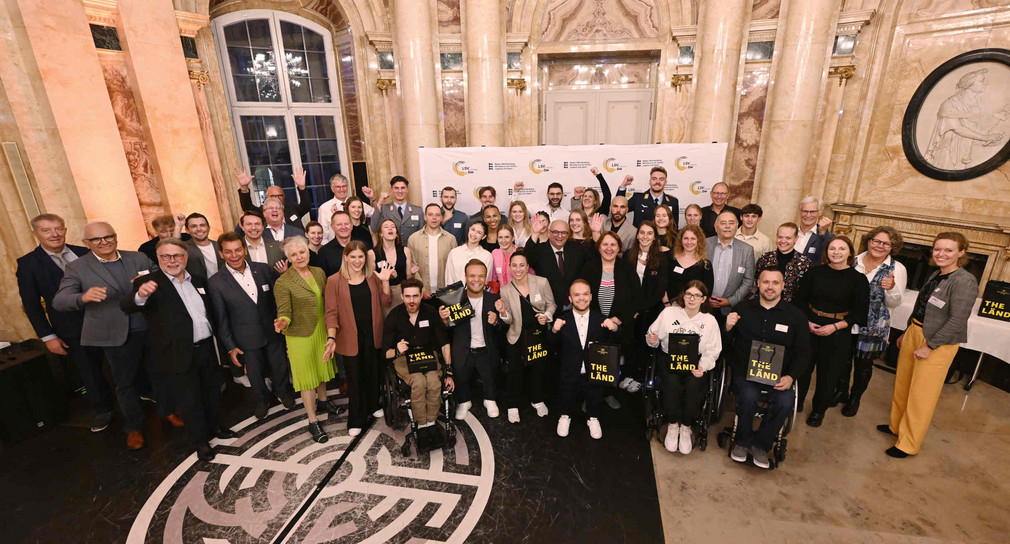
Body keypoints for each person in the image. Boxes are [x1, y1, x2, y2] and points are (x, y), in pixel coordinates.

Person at [122, 238, 235, 462]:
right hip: (176, 354)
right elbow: (127, 306)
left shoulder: (199, 280)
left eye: (177, 256)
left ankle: (215, 428)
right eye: (166, 256)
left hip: (205, 348)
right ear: (158, 258)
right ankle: (200, 441)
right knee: (189, 399)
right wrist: (140, 295)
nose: (172, 260)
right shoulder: (148, 283)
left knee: (212, 392)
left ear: (185, 257)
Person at [53, 222, 154, 449]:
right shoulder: (77, 267)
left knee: (159, 373)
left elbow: (160, 279)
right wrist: (83, 297)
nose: (104, 242)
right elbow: (59, 301)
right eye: (96, 239)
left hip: (149, 327)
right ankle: (134, 427)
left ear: (116, 236)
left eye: (108, 236)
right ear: (86, 243)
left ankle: (167, 411)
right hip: (114, 334)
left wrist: (149, 284)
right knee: (124, 383)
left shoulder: (137, 257)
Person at [882, 232, 977, 458]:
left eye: (948, 250)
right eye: (937, 249)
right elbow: (922, 306)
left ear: (961, 253)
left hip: (937, 342)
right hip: (915, 331)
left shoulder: (964, 281)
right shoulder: (937, 273)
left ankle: (908, 443)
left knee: (921, 395)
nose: (941, 254)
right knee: (903, 384)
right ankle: (896, 427)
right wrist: (908, 331)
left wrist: (930, 345)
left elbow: (957, 320)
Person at [17, 214, 113, 432]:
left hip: (106, 320)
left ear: (65, 229)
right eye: (47, 230)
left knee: (123, 361)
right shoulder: (28, 264)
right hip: (70, 328)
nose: (54, 234)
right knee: (89, 371)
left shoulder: (85, 252)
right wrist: (48, 336)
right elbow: (31, 305)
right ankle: (103, 409)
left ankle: (141, 393)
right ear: (35, 233)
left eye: (59, 229)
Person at [726, 268, 810, 469]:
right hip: (746, 372)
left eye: (775, 283)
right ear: (758, 284)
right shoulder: (743, 309)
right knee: (747, 395)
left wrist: (791, 377)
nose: (770, 287)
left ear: (783, 286)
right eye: (765, 282)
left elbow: (803, 352)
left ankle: (761, 445)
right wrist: (727, 328)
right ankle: (742, 441)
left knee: (785, 401)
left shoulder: (796, 316)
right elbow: (725, 346)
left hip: (779, 376)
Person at [208, 232, 295, 420]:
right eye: (228, 252)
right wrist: (230, 346)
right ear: (221, 254)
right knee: (254, 373)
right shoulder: (215, 282)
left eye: (238, 250)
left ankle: (281, 391)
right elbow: (220, 319)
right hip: (245, 337)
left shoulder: (263, 269)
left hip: (273, 331)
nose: (234, 255)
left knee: (280, 366)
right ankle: (262, 399)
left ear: (245, 250)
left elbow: (277, 299)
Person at [793, 236, 869, 424]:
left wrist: (834, 327)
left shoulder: (858, 280)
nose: (836, 252)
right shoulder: (814, 273)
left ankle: (819, 410)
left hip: (838, 331)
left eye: (842, 249)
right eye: (832, 248)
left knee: (828, 375)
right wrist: (807, 323)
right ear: (826, 252)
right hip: (810, 325)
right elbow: (800, 301)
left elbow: (860, 314)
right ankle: (797, 403)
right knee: (802, 369)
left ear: (850, 252)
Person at [273, 237, 342, 444]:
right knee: (307, 378)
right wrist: (282, 322)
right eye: (293, 255)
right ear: (288, 258)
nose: (299, 257)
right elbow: (284, 311)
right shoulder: (283, 282)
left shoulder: (319, 272)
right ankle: (312, 421)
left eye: (302, 252)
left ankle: (323, 402)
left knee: (321, 370)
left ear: (308, 252)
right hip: (299, 335)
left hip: (321, 329)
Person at [838, 226, 907, 416]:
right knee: (843, 360)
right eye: (876, 241)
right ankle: (841, 391)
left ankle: (855, 398)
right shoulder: (854, 260)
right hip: (847, 320)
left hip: (874, 327)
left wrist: (890, 287)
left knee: (863, 365)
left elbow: (895, 303)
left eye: (886, 243)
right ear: (868, 241)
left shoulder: (897, 269)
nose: (879, 246)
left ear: (893, 247)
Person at [324, 242, 393, 435]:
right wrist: (331, 337)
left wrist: (385, 281)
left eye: (360, 257)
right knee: (355, 378)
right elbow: (331, 313)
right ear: (345, 257)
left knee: (373, 372)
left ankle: (372, 405)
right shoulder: (334, 281)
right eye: (352, 257)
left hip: (373, 333)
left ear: (366, 258)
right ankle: (355, 418)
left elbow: (385, 302)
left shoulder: (372, 277)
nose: (357, 261)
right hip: (349, 336)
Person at [646, 281, 722, 454]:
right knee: (671, 382)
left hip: (696, 362)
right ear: (683, 295)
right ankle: (673, 425)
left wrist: (703, 366)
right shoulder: (669, 313)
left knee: (693, 384)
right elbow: (653, 336)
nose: (692, 299)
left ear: (703, 299)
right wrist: (652, 340)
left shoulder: (709, 321)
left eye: (696, 295)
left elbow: (713, 350)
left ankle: (686, 426)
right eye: (688, 294)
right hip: (670, 358)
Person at [383, 279, 455, 447]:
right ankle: (421, 425)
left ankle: (431, 423)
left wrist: (449, 371)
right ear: (401, 296)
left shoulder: (431, 312)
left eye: (415, 296)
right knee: (418, 381)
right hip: (404, 358)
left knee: (433, 381)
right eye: (407, 296)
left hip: (428, 356)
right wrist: (398, 350)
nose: (412, 301)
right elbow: (384, 352)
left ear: (422, 295)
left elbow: (444, 342)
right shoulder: (394, 316)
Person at [551, 279, 621, 439]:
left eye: (585, 294)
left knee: (595, 395)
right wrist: (554, 330)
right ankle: (564, 416)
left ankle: (593, 418)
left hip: (594, 370)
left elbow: (617, 338)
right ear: (570, 298)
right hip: (570, 370)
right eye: (576, 295)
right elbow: (551, 343)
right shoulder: (563, 320)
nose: (581, 298)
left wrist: (614, 327)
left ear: (591, 296)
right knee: (566, 394)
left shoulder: (601, 319)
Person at [439, 259, 504, 420]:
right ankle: (464, 401)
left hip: (486, 350)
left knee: (490, 377)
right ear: (465, 277)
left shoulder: (493, 298)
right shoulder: (454, 299)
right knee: (462, 377)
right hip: (463, 350)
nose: (477, 279)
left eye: (481, 276)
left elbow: (503, 328)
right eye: (472, 276)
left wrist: (497, 319)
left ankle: (490, 399)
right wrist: (444, 320)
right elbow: (447, 330)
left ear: (486, 277)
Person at [498, 250, 557, 423]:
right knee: (514, 373)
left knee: (538, 369)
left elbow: (551, 304)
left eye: (521, 265)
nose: (518, 269)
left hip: (537, 335)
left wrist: (547, 315)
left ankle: (537, 400)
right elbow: (508, 320)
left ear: (527, 267)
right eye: (514, 265)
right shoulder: (506, 290)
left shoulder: (541, 282)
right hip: (516, 336)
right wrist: (502, 312)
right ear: (509, 267)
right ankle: (513, 405)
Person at [581, 232, 641, 397]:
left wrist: (618, 319)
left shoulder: (626, 268)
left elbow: (636, 298)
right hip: (595, 325)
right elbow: (581, 294)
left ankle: (608, 395)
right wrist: (599, 320)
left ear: (619, 248)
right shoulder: (589, 267)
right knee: (594, 363)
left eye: (613, 245)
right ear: (599, 247)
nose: (609, 248)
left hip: (619, 326)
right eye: (605, 244)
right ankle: (591, 397)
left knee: (613, 364)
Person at [625, 221, 668, 394]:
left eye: (649, 233)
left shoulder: (662, 258)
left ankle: (640, 378)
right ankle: (629, 373)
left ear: (654, 236)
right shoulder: (629, 254)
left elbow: (660, 290)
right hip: (630, 308)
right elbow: (624, 283)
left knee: (645, 344)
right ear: (637, 235)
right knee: (629, 342)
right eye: (642, 233)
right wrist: (632, 308)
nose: (645, 237)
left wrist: (640, 308)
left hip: (650, 309)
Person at [525, 214, 593, 311]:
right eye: (555, 232)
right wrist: (535, 233)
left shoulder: (576, 249)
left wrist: (595, 233)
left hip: (574, 306)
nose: (560, 236)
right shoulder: (540, 250)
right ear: (549, 233)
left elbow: (593, 259)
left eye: (564, 233)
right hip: (550, 307)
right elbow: (528, 256)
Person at [705, 212, 753, 323]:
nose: (727, 226)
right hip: (703, 306)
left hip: (730, 310)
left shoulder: (746, 250)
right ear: (716, 227)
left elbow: (748, 281)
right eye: (723, 223)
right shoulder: (704, 244)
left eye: (731, 223)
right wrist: (704, 296)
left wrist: (730, 301)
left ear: (737, 227)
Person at [407, 203, 458, 298]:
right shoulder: (413, 239)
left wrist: (447, 290)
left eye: (437, 215)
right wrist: (422, 289)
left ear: (441, 218)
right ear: (425, 217)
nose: (434, 218)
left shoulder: (451, 239)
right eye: (430, 215)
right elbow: (412, 265)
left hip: (445, 292)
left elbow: (454, 267)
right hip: (421, 293)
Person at [754, 223, 813, 304]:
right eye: (780, 237)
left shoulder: (805, 263)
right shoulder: (765, 258)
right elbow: (757, 281)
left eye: (788, 238)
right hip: (763, 306)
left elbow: (805, 292)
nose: (783, 241)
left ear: (796, 239)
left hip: (791, 310)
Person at [237, 166, 311, 228]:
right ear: (267, 197)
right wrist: (244, 187)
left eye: (280, 195)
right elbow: (247, 207)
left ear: (284, 197)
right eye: (273, 196)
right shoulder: (262, 211)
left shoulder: (292, 209)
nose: (277, 198)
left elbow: (306, 206)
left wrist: (302, 187)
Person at [370, 218, 418, 314]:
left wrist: (412, 272)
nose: (390, 229)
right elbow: (371, 280)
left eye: (393, 227)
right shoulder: (372, 253)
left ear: (396, 233)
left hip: (402, 293)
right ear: (381, 234)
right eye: (386, 227)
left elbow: (408, 276)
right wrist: (386, 278)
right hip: (383, 294)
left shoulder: (405, 250)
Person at [317, 173, 376, 242]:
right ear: (332, 189)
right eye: (338, 187)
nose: (342, 189)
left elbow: (377, 213)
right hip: (336, 248)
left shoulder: (357, 203)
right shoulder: (324, 208)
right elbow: (323, 237)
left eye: (344, 186)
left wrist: (373, 199)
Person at [614, 166, 679, 228]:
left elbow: (674, 227)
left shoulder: (673, 202)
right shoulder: (638, 198)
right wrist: (623, 186)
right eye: (654, 179)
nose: (657, 182)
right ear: (649, 181)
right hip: (642, 238)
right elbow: (619, 208)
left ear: (665, 182)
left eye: (661, 179)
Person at [668, 225, 714, 303]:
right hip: (670, 306)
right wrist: (667, 303)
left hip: (693, 308)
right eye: (686, 238)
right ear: (681, 240)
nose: (689, 242)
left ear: (698, 241)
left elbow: (706, 291)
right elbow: (662, 285)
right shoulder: (670, 259)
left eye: (693, 239)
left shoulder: (706, 265)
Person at [370, 176, 424, 241]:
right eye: (396, 188)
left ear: (407, 190)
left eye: (403, 188)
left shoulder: (417, 211)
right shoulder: (384, 210)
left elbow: (423, 235)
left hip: (412, 250)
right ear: (391, 190)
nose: (400, 191)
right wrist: (379, 203)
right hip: (391, 249)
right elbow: (374, 228)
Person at [445, 221, 493, 288]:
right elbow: (449, 279)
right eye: (473, 230)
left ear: (483, 236)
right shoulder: (454, 253)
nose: (474, 234)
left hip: (477, 296)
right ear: (469, 229)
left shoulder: (487, 256)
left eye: (479, 232)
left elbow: (486, 281)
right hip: (455, 296)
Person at [183, 213, 223, 284]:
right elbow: (172, 248)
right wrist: (178, 226)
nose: (199, 229)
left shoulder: (219, 245)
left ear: (209, 228)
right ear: (187, 230)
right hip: (199, 290)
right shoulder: (184, 248)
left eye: (202, 225)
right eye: (194, 226)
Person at [795, 196, 835, 264]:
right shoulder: (792, 232)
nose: (808, 215)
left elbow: (828, 257)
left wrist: (823, 233)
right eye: (805, 211)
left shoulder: (825, 235)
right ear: (800, 212)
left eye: (812, 212)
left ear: (819, 213)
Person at [318, 211, 355, 276]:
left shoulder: (363, 246)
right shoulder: (324, 252)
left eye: (346, 224)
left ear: (351, 225)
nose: (343, 227)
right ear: (332, 227)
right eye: (339, 224)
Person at [489, 224, 519, 291]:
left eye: (507, 237)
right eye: (500, 237)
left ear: (513, 238)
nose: (503, 240)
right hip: (502, 296)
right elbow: (493, 279)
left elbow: (529, 277)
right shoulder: (495, 253)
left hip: (519, 295)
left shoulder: (519, 253)